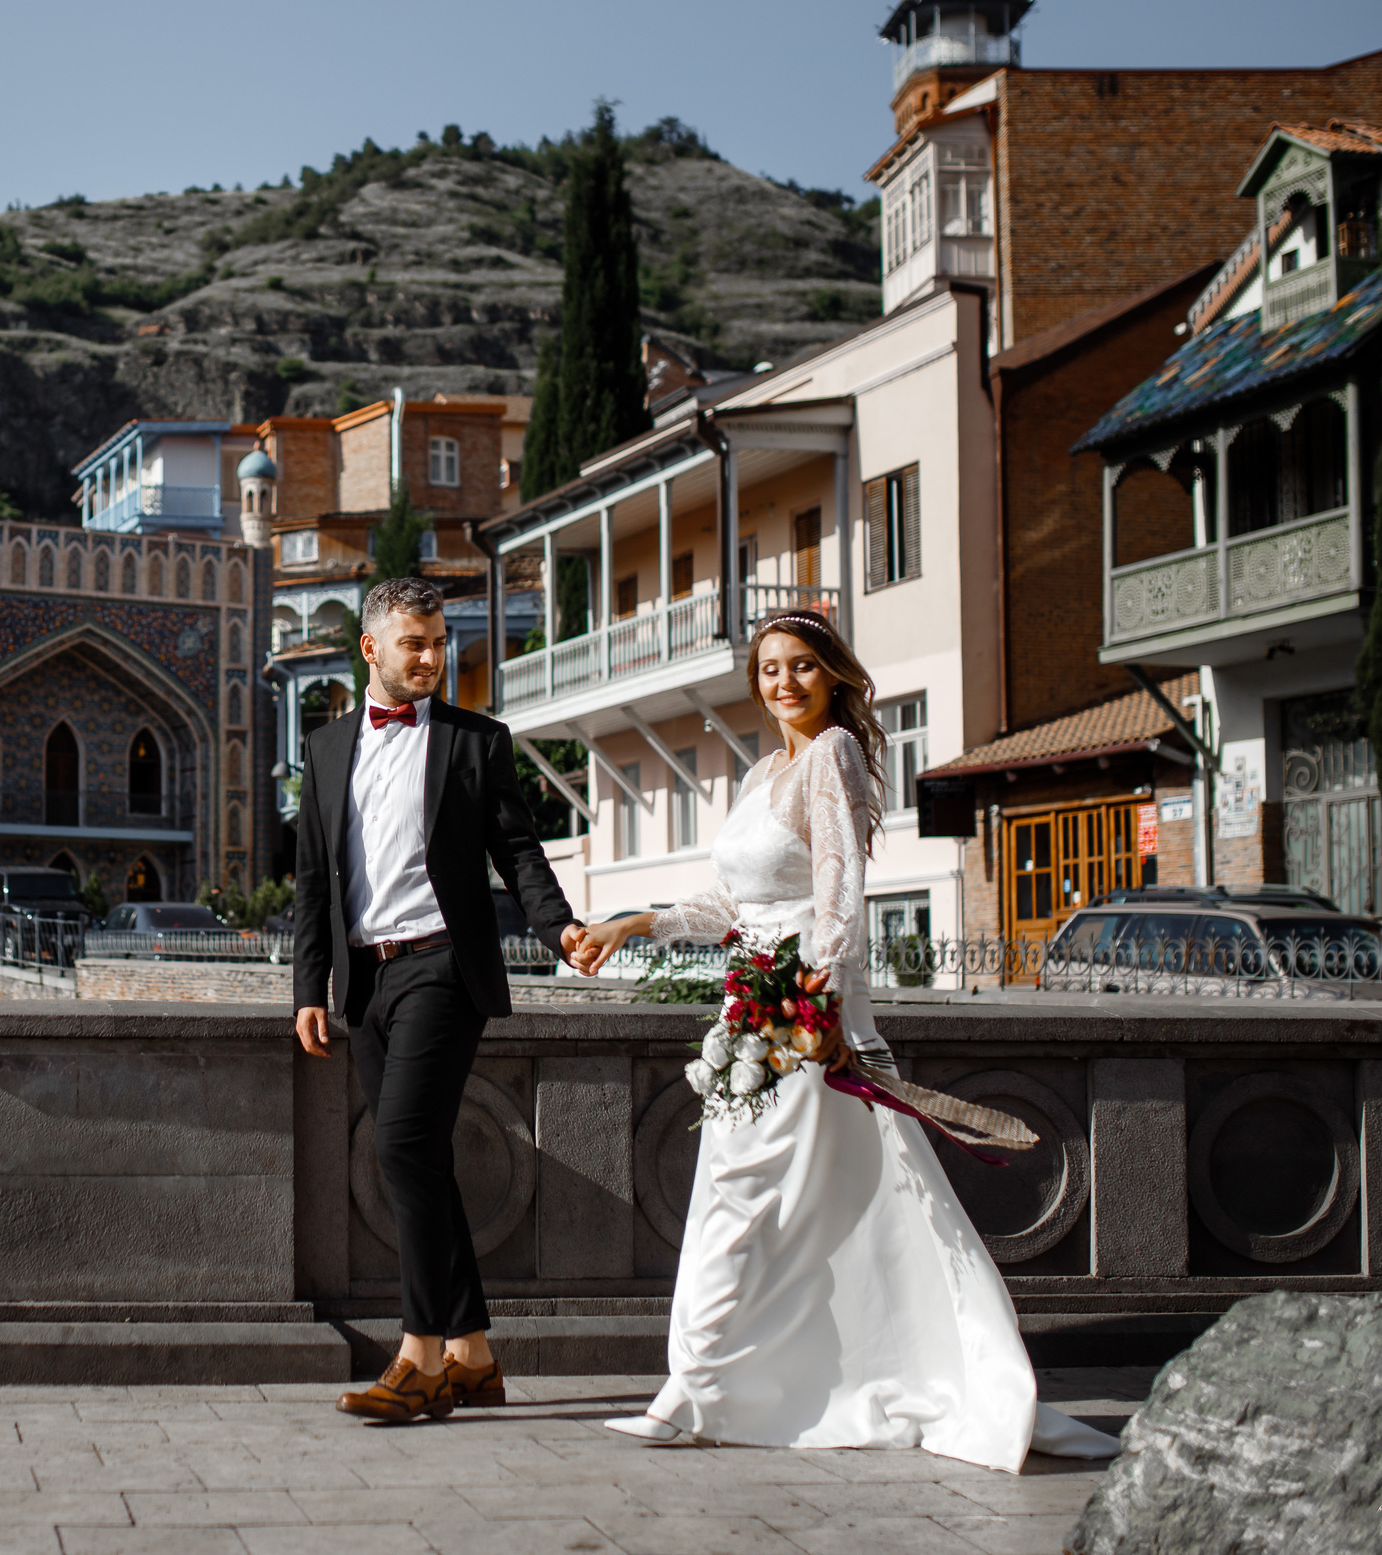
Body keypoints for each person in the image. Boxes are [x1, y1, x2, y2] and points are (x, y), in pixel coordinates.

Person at [570, 610, 1118, 1472]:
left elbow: (839, 887)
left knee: (748, 1189)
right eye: (769, 669)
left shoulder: (832, 753)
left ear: (832, 673)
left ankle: (701, 1390)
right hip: (753, 1007)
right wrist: (635, 921)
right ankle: (727, 1385)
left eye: (801, 665)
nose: (783, 682)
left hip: (803, 1012)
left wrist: (820, 1004)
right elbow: (733, 905)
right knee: (775, 1195)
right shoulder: (763, 774)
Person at [292, 576, 583, 1422]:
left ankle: (419, 1355)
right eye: (413, 643)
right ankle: (475, 1355)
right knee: (418, 1160)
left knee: (402, 1143)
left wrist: (559, 928)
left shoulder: (475, 741)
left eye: (439, 642)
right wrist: (310, 985)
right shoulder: (324, 747)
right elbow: (312, 877)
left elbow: (517, 851)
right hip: (365, 978)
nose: (430, 657)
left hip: (443, 966)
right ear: (371, 649)